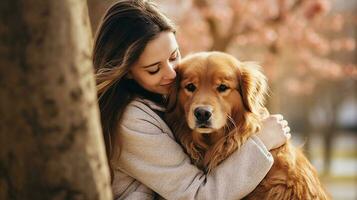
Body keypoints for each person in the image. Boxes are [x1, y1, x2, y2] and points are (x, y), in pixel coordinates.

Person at [93, 0, 291, 199]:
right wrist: (261, 143)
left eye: (173, 56)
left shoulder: (161, 98)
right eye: (154, 69)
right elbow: (197, 194)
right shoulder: (131, 121)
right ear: (126, 72)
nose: (172, 74)